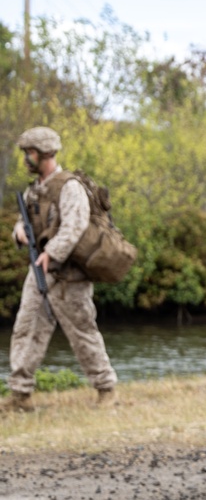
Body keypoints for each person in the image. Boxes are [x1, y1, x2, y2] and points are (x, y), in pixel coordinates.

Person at [1, 127, 118, 413]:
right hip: (39, 270)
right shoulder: (33, 191)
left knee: (82, 332)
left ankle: (106, 390)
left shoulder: (70, 187)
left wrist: (51, 253)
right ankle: (20, 395)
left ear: (42, 154)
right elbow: (23, 221)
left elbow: (74, 227)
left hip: (70, 276)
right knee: (26, 328)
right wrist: (20, 234)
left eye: (29, 153)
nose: (26, 159)